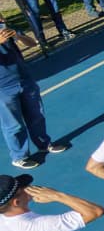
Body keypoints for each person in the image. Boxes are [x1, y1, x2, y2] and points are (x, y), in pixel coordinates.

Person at [0, 26, 68, 169]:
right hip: (3, 88)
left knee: (37, 115)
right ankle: (19, 157)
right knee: (13, 125)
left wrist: (18, 36)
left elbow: (32, 43)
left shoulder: (4, 28)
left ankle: (44, 144)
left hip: (25, 80)